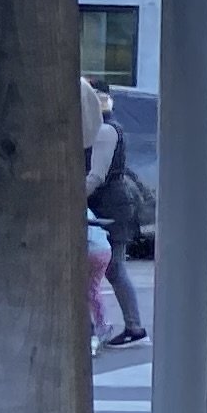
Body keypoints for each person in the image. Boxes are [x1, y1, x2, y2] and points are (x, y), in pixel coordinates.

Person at [81, 81, 148, 345]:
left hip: (113, 206)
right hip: (109, 203)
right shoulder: (103, 128)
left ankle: (134, 327)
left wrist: (71, 199)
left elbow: (96, 175)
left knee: (115, 267)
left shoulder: (105, 130)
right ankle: (123, 326)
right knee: (109, 268)